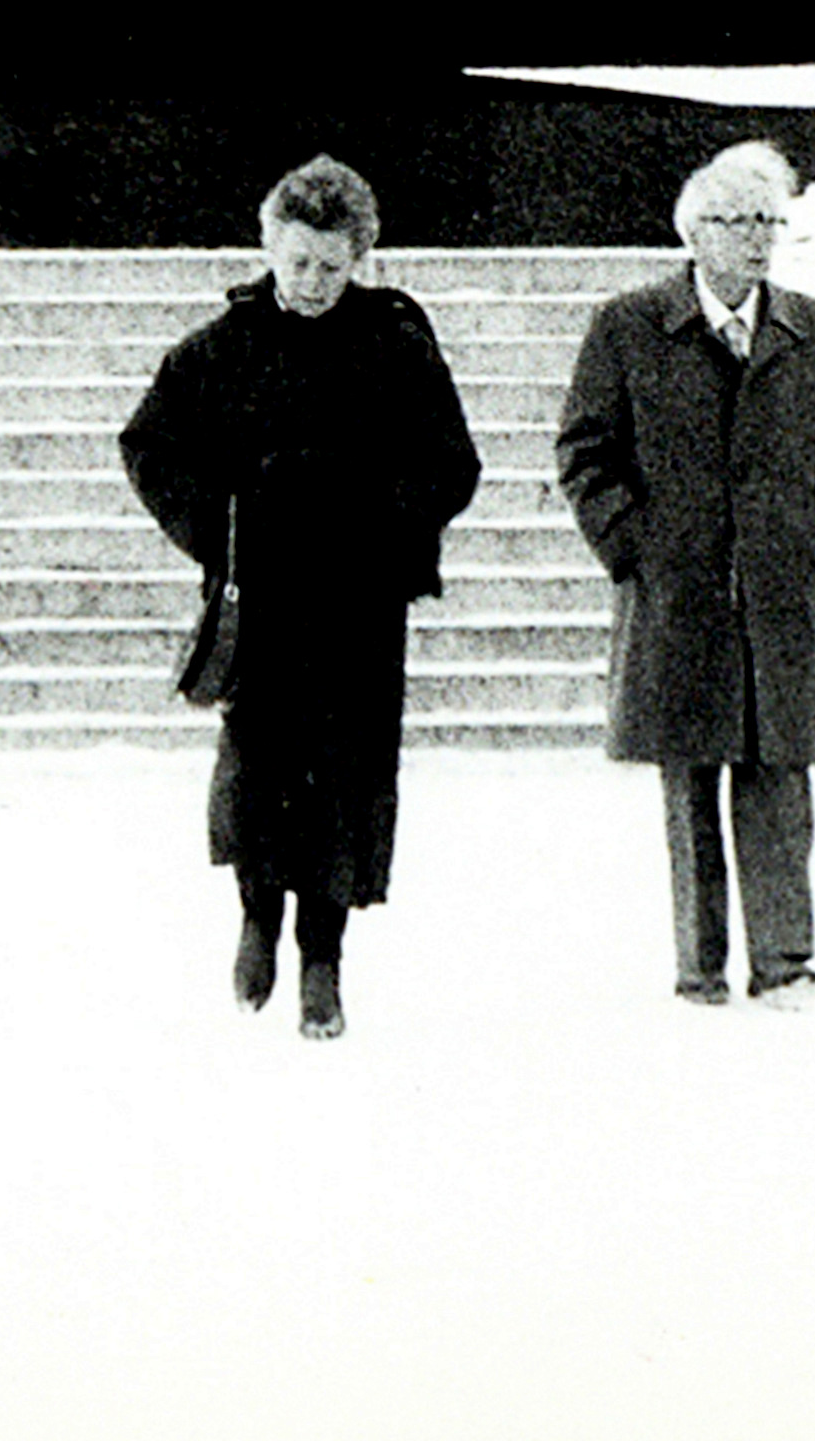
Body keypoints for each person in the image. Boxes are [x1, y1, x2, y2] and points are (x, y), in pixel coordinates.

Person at [119, 156, 482, 1040]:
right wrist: (218, 531)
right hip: (264, 601)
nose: (313, 283)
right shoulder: (221, 347)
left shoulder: (396, 345)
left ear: (362, 258)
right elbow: (149, 445)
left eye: (332, 264)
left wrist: (386, 519)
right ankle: (256, 923)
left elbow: (452, 465)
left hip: (359, 606)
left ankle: (324, 960)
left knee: (345, 783)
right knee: (259, 770)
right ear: (268, 249)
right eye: (298, 263)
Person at [552, 140, 815, 1006]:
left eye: (769, 220)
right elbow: (585, 451)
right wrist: (632, 548)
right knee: (688, 788)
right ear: (693, 231)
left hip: (777, 594)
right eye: (736, 220)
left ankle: (786, 963)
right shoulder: (628, 325)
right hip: (678, 595)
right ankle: (700, 969)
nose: (757, 238)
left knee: (778, 784)